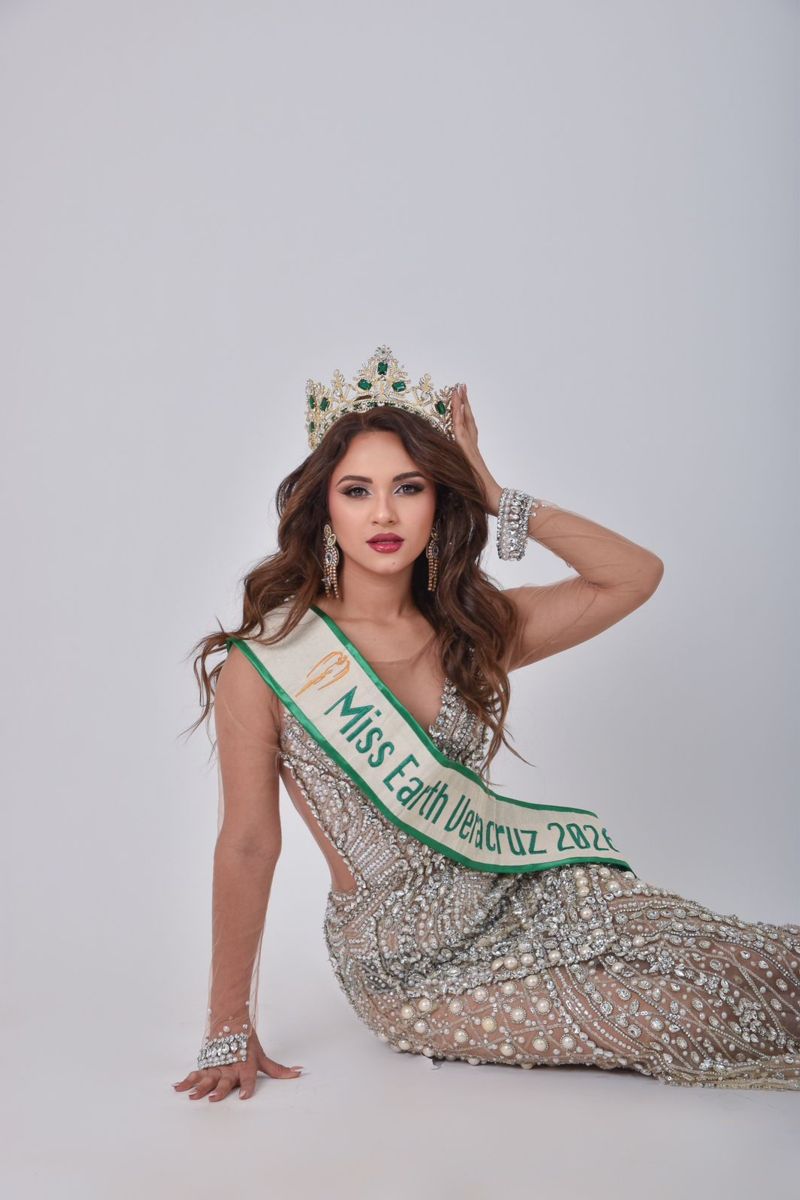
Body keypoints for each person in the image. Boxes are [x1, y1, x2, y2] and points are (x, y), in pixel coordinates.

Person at [173, 345, 799, 1102]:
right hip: (411, 966)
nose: (383, 513)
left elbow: (634, 576)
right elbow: (248, 844)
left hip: (528, 895)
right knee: (691, 1014)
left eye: (409, 487)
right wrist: (227, 1025)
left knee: (756, 965)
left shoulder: (475, 630)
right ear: (324, 509)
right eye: (357, 490)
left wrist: (498, 495)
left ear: (440, 501)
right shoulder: (270, 662)